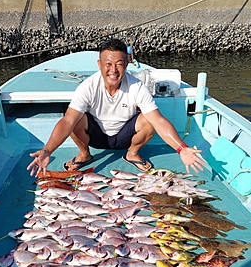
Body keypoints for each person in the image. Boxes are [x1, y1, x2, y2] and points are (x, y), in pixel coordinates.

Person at [27, 38, 205, 176]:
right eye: (108, 64)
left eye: (119, 64)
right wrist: (47, 150)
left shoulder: (136, 86)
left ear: (127, 64)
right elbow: (67, 122)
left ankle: (132, 154)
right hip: (96, 136)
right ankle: (84, 154)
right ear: (99, 65)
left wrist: (181, 148)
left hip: (124, 137)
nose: (113, 70)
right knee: (74, 117)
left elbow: (159, 121)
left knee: (149, 120)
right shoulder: (87, 87)